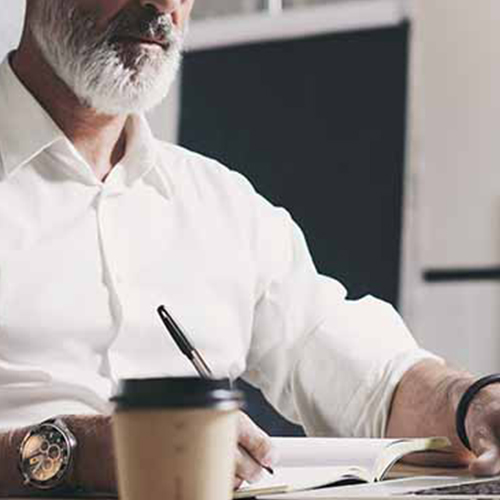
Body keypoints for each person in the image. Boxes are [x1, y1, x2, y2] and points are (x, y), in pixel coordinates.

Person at [0, 0, 499, 496]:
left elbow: (360, 375)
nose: (163, 6)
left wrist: (469, 403)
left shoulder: (222, 203)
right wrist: (74, 452)